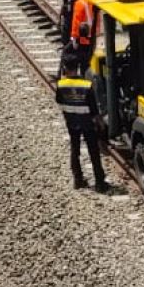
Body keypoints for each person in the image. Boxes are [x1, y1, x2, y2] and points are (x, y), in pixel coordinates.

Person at [56, 53, 109, 192]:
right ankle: (99, 182)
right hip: (87, 123)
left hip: (72, 122)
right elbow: (93, 108)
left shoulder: (61, 85)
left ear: (64, 68)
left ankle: (78, 179)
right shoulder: (86, 85)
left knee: (75, 149)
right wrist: (100, 122)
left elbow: (59, 102)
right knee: (93, 151)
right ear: (78, 67)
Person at [68, 0, 96, 71]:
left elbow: (76, 22)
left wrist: (74, 37)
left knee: (81, 61)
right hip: (92, 36)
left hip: (82, 38)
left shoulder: (79, 3)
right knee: (90, 60)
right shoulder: (92, 1)